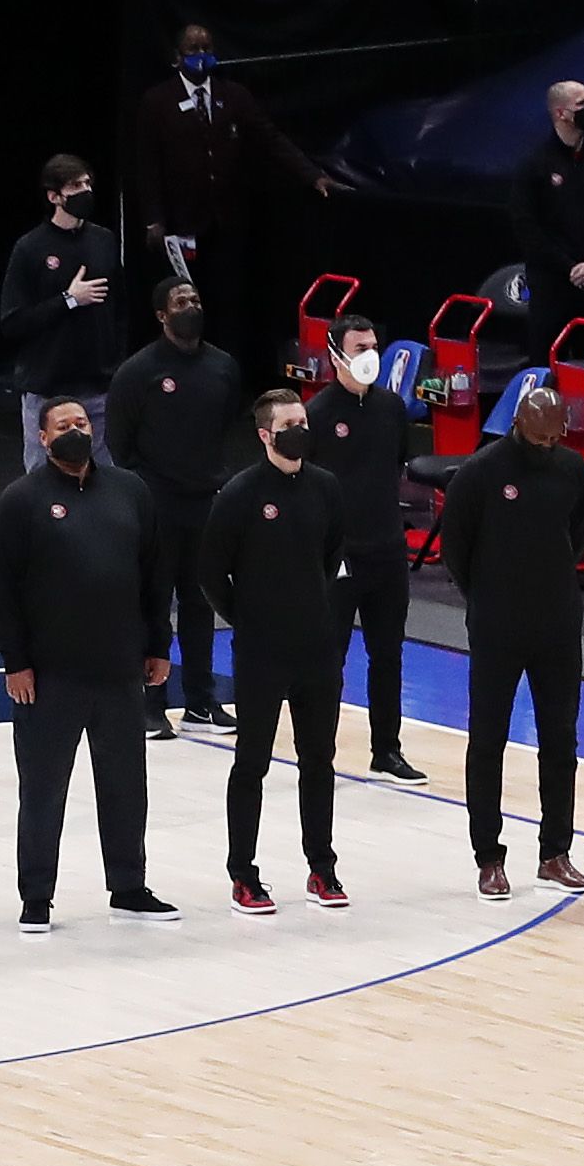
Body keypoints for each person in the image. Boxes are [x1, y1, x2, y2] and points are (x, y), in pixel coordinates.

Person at [438, 378, 584, 896]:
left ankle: (556, 852)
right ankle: (489, 857)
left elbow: (576, 535)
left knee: (560, 742)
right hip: (496, 626)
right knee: (488, 742)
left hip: (557, 625)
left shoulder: (572, 470)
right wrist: (486, 596)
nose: (551, 447)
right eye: (543, 438)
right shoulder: (481, 472)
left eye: (558, 438)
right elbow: (455, 548)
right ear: (521, 426)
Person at [207, 388, 349, 915]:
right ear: (265, 434)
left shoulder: (326, 488)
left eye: (303, 420)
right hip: (262, 650)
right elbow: (210, 571)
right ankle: (243, 874)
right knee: (252, 763)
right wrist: (246, 617)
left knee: (320, 760)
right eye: (288, 423)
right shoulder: (240, 493)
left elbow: (333, 553)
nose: (300, 430)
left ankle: (322, 867)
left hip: (316, 646)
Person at [128, 21, 336, 368]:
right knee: (185, 304)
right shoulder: (157, 101)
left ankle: (227, 376)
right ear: (177, 58)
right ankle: (181, 374)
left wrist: (313, 176)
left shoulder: (234, 95)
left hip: (227, 225)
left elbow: (271, 139)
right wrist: (154, 219)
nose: (201, 57)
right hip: (181, 226)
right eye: (193, 51)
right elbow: (146, 166)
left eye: (206, 49)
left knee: (230, 306)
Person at [102, 281, 246, 736]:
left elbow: (225, 423)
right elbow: (119, 443)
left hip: (205, 499)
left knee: (202, 600)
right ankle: (151, 702)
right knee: (154, 601)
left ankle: (202, 702)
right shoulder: (138, 371)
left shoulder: (223, 367)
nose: (191, 308)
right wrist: (146, 488)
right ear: (162, 315)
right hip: (156, 501)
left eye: (196, 301)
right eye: (181, 303)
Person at [298, 319, 424, 783]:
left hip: (387, 548)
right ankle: (318, 751)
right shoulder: (318, 412)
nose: (370, 353)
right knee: (329, 658)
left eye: (374, 345)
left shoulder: (392, 407)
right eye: (360, 347)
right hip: (338, 554)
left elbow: (394, 465)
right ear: (336, 355)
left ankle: (386, 750)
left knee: (388, 653)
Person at [506, 79, 584, 361]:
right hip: (552, 288)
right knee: (548, 368)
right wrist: (570, 268)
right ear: (560, 113)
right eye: (582, 104)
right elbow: (526, 227)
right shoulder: (534, 166)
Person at [0, 154, 123, 404]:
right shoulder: (29, 247)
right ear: (54, 197)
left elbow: (120, 309)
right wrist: (69, 300)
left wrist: (116, 363)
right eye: (75, 186)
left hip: (99, 386)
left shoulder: (104, 240)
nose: (85, 191)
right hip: (47, 387)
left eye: (87, 184)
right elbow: (13, 322)